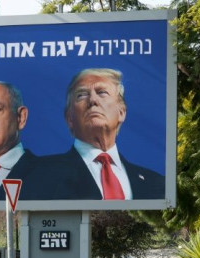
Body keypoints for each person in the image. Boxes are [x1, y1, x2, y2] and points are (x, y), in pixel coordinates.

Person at [40, 68, 164, 200]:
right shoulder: (42, 175)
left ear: (121, 113)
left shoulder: (155, 183)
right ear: (70, 118)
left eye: (102, 93)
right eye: (81, 95)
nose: (93, 100)